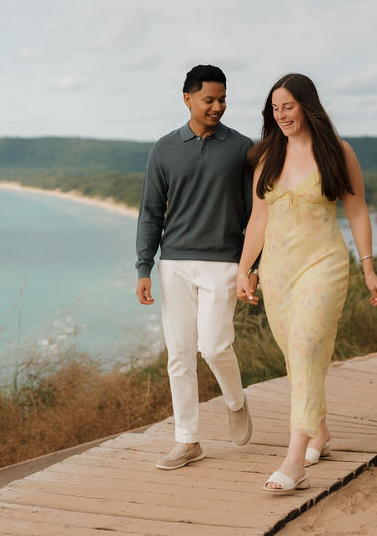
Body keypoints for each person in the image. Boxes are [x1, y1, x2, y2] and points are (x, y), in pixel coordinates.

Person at [235, 72, 377, 495]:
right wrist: (244, 269)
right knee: (298, 353)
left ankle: (294, 459)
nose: (281, 115)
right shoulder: (268, 157)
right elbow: (258, 220)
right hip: (278, 272)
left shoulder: (338, 152)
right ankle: (320, 433)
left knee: (304, 345)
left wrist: (369, 267)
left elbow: (357, 211)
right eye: (275, 108)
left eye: (289, 106)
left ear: (307, 106)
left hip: (323, 264)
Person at [135, 63, 257, 470]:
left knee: (215, 345)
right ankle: (188, 441)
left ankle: (236, 401)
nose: (218, 106)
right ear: (187, 98)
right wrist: (143, 267)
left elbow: (258, 213)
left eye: (223, 99)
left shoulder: (241, 148)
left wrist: (252, 266)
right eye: (209, 99)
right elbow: (151, 212)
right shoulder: (165, 148)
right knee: (180, 355)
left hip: (224, 261)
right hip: (174, 265)